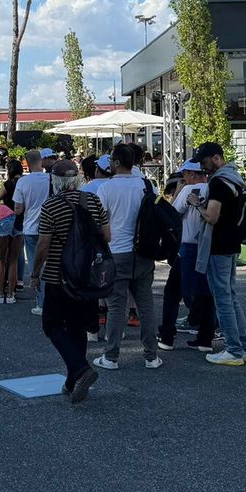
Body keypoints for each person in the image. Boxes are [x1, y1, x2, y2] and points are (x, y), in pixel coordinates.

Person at [32, 159, 110, 403]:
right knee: (77, 327)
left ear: (54, 181)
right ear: (77, 179)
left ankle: (81, 369)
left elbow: (43, 244)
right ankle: (72, 380)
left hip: (58, 275)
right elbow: (106, 235)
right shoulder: (93, 201)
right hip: (86, 276)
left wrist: (35, 273)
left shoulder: (51, 205)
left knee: (52, 325)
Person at [92, 142, 162, 372]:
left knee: (115, 306)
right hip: (143, 252)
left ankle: (111, 356)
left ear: (117, 162)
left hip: (117, 251)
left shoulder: (106, 188)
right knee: (145, 304)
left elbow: (100, 222)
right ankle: (151, 356)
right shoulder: (146, 185)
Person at [197, 143, 246, 366]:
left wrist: (196, 205)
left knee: (222, 298)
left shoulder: (218, 183)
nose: (203, 168)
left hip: (218, 245)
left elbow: (211, 217)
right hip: (232, 244)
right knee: (231, 296)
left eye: (204, 162)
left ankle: (233, 349)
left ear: (215, 158)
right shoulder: (235, 179)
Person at [162, 160, 211, 352]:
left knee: (175, 291)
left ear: (191, 174)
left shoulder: (189, 190)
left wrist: (178, 192)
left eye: (184, 175)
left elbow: (171, 214)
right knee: (205, 291)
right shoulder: (213, 187)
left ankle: (167, 335)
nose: (183, 179)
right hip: (206, 244)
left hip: (188, 245)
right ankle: (205, 336)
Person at [12, 149, 53, 308]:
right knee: (50, 265)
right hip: (49, 227)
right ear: (41, 161)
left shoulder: (23, 182)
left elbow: (18, 209)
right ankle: (51, 301)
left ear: (27, 164)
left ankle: (41, 302)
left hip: (30, 228)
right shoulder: (51, 179)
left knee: (36, 266)